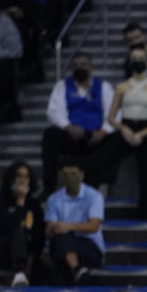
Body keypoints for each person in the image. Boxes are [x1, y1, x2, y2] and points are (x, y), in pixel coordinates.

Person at [103, 45, 147, 218]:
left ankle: (145, 213)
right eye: (134, 59)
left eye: (141, 58)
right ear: (130, 62)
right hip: (126, 128)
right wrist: (124, 130)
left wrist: (141, 134)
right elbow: (111, 117)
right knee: (102, 160)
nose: (138, 62)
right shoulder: (122, 87)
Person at [40, 54, 114, 196]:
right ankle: (48, 187)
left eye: (83, 65)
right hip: (71, 135)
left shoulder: (104, 87)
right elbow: (54, 112)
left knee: (114, 139)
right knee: (50, 135)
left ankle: (100, 187)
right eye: (76, 65)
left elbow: (113, 113)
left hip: (96, 136)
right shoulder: (62, 86)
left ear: (91, 67)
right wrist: (68, 127)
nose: (80, 68)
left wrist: (103, 132)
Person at [0, 161, 44, 288]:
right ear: (11, 179)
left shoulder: (33, 205)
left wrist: (31, 256)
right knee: (18, 234)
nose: (22, 180)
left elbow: (38, 237)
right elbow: (8, 228)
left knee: (46, 271)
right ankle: (19, 272)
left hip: (25, 252)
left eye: (26, 177)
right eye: (18, 176)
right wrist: (20, 203)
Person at [44, 158, 105, 285]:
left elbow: (93, 226)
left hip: (89, 246)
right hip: (61, 244)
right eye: (66, 175)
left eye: (73, 174)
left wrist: (68, 226)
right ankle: (78, 270)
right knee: (62, 239)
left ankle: (76, 269)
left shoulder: (94, 196)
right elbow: (50, 229)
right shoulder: (53, 199)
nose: (69, 178)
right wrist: (53, 228)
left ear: (81, 175)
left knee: (64, 242)